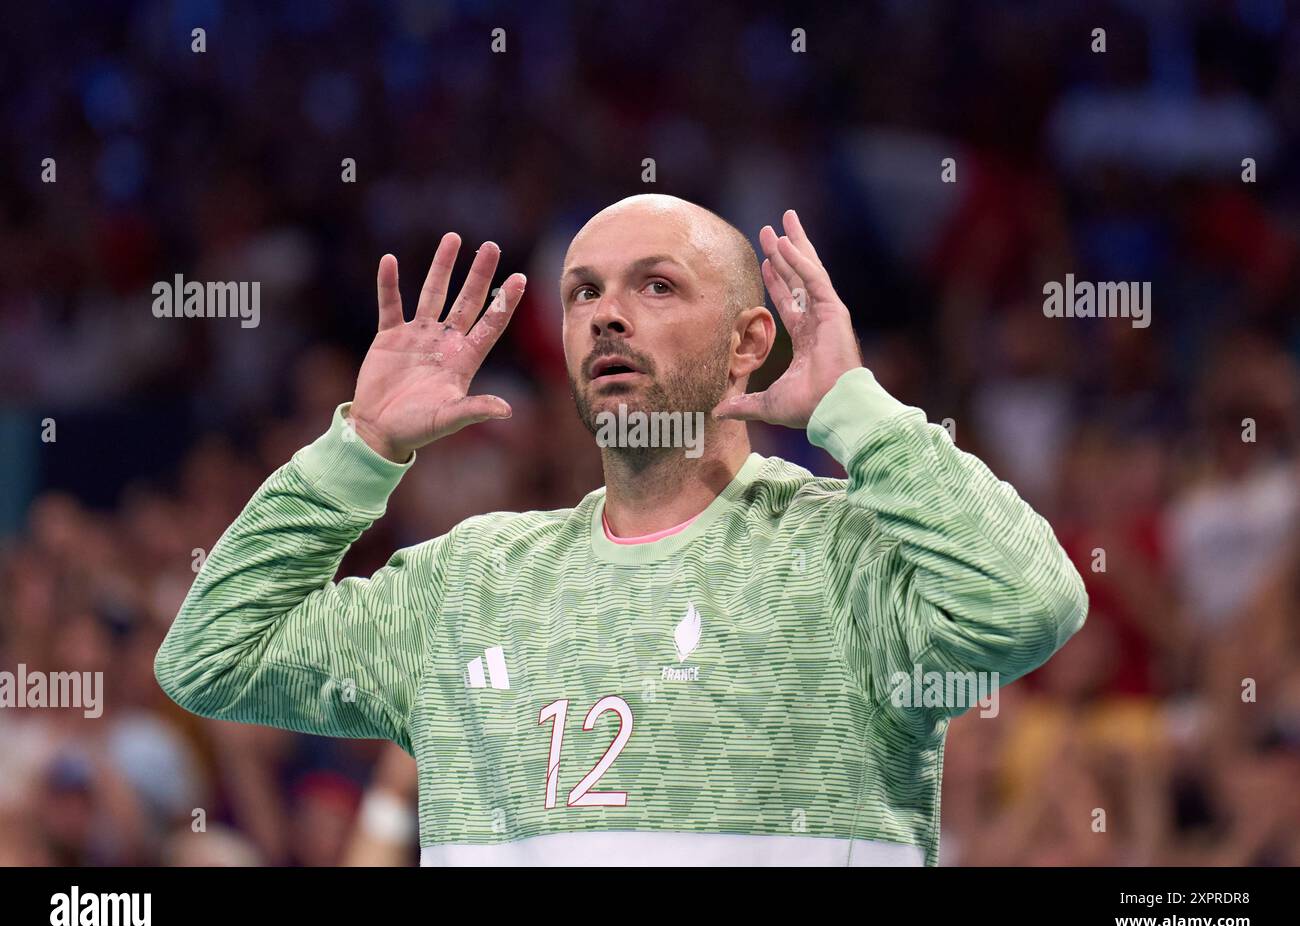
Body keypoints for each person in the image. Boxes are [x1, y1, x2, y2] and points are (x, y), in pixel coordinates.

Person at [155, 195, 1088, 866]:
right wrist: (358, 450)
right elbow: (211, 657)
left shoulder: (843, 555)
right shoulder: (469, 580)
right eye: (583, 292)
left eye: (656, 286)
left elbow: (1031, 601)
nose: (606, 313)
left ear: (750, 342)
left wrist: (858, 410)